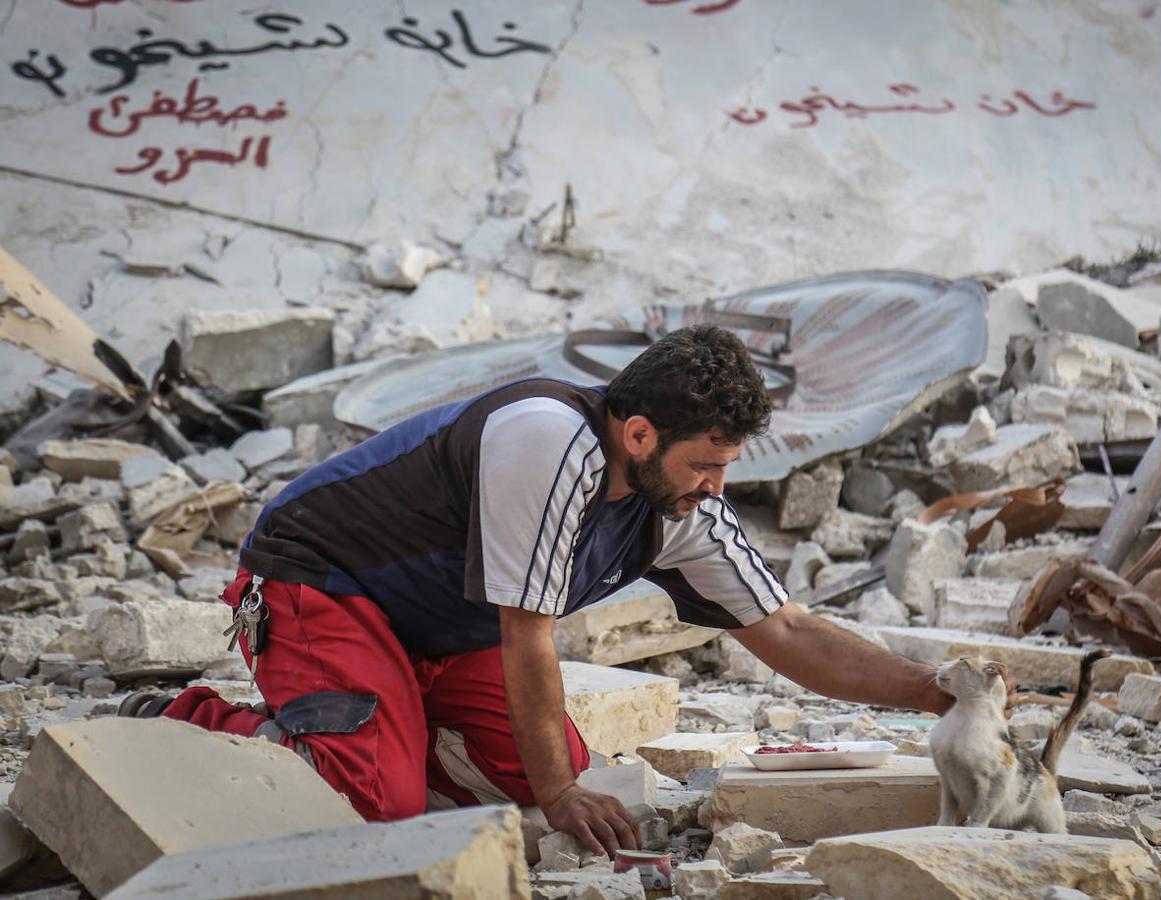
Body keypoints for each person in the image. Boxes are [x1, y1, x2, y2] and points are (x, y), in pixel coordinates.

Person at [121, 324, 956, 857]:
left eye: (725, 467)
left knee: (554, 771)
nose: (715, 487)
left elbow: (788, 631)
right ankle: (191, 724)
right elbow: (529, 635)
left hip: (437, 635)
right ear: (638, 434)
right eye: (704, 464)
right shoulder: (549, 441)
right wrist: (558, 795)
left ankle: (379, 724)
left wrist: (933, 693)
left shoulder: (681, 501)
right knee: (383, 802)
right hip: (320, 582)